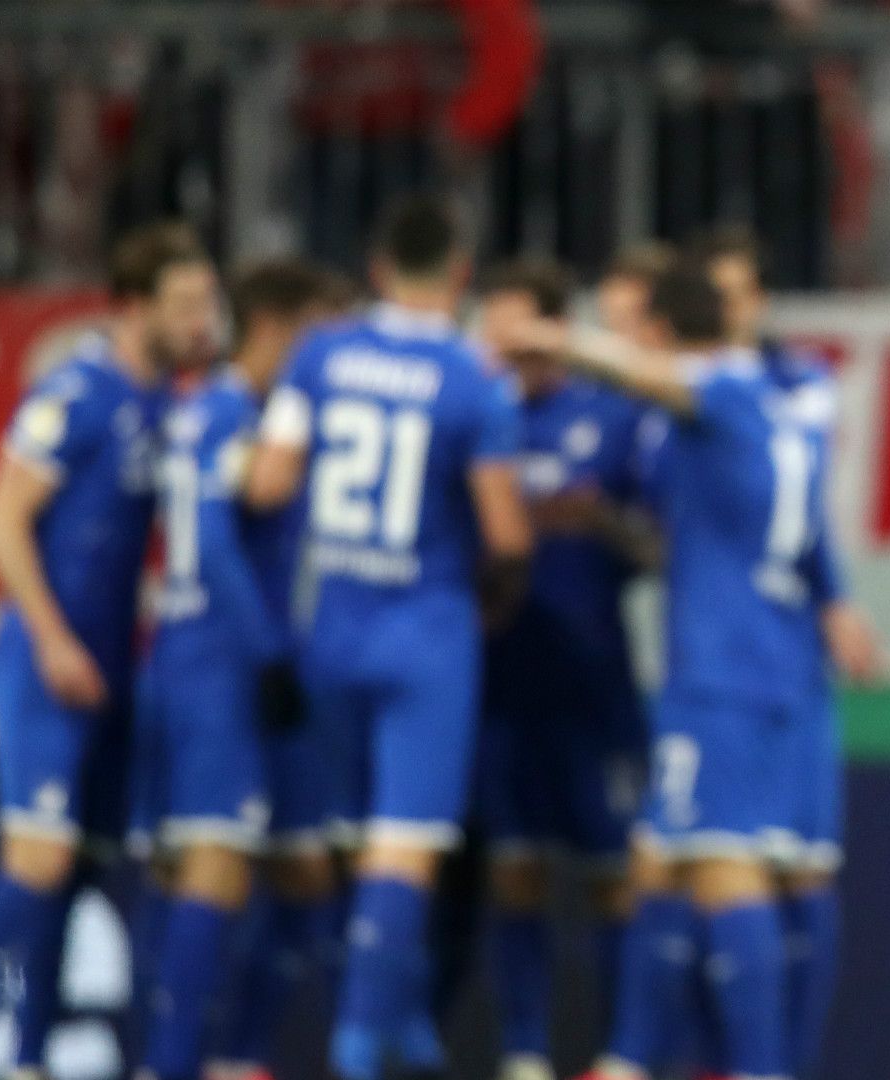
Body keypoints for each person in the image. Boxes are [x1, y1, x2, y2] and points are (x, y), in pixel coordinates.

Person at [490, 258, 845, 1080]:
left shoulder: (719, 388)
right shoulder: (774, 399)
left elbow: (656, 379)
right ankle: (632, 1059)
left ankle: (753, 1069)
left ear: (659, 333)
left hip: (721, 673)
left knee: (723, 865)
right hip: (763, 659)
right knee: (661, 859)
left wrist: (552, 338)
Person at [244, 195, 532, 1080]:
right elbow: (507, 534)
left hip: (330, 626)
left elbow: (266, 484)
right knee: (405, 843)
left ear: (376, 269)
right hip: (426, 634)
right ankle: (360, 1043)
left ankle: (392, 1010)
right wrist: (492, 599)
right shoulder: (474, 377)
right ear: (460, 273)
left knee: (349, 834)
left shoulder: (319, 354)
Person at [0, 222, 217, 1078]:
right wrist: (51, 639)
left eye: (207, 303)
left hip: (111, 669)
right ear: (134, 307)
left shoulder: (170, 403)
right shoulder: (76, 393)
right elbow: (0, 523)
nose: (200, 321)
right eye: (184, 305)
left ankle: (29, 1056)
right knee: (37, 860)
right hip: (48, 663)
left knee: (79, 872)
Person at [695, 225, 881, 1076]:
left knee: (802, 872)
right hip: (718, 661)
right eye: (710, 297)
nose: (724, 311)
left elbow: (803, 512)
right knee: (699, 868)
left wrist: (834, 597)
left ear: (759, 301)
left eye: (735, 295)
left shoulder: (799, 384)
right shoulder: (694, 391)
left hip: (787, 655)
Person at [471, 258, 654, 1080]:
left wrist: (602, 522)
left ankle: (618, 1056)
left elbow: (657, 547)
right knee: (517, 869)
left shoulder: (612, 416)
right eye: (495, 329)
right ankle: (524, 1054)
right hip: (502, 682)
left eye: (522, 328)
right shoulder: (477, 413)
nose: (507, 346)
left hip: (595, 683)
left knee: (615, 875)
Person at [204, 259, 357, 1080]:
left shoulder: (279, 419)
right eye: (321, 337)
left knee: (306, 872)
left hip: (293, 676)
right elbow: (213, 547)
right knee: (213, 871)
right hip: (231, 680)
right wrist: (265, 655)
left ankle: (244, 1057)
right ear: (277, 328)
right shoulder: (225, 411)